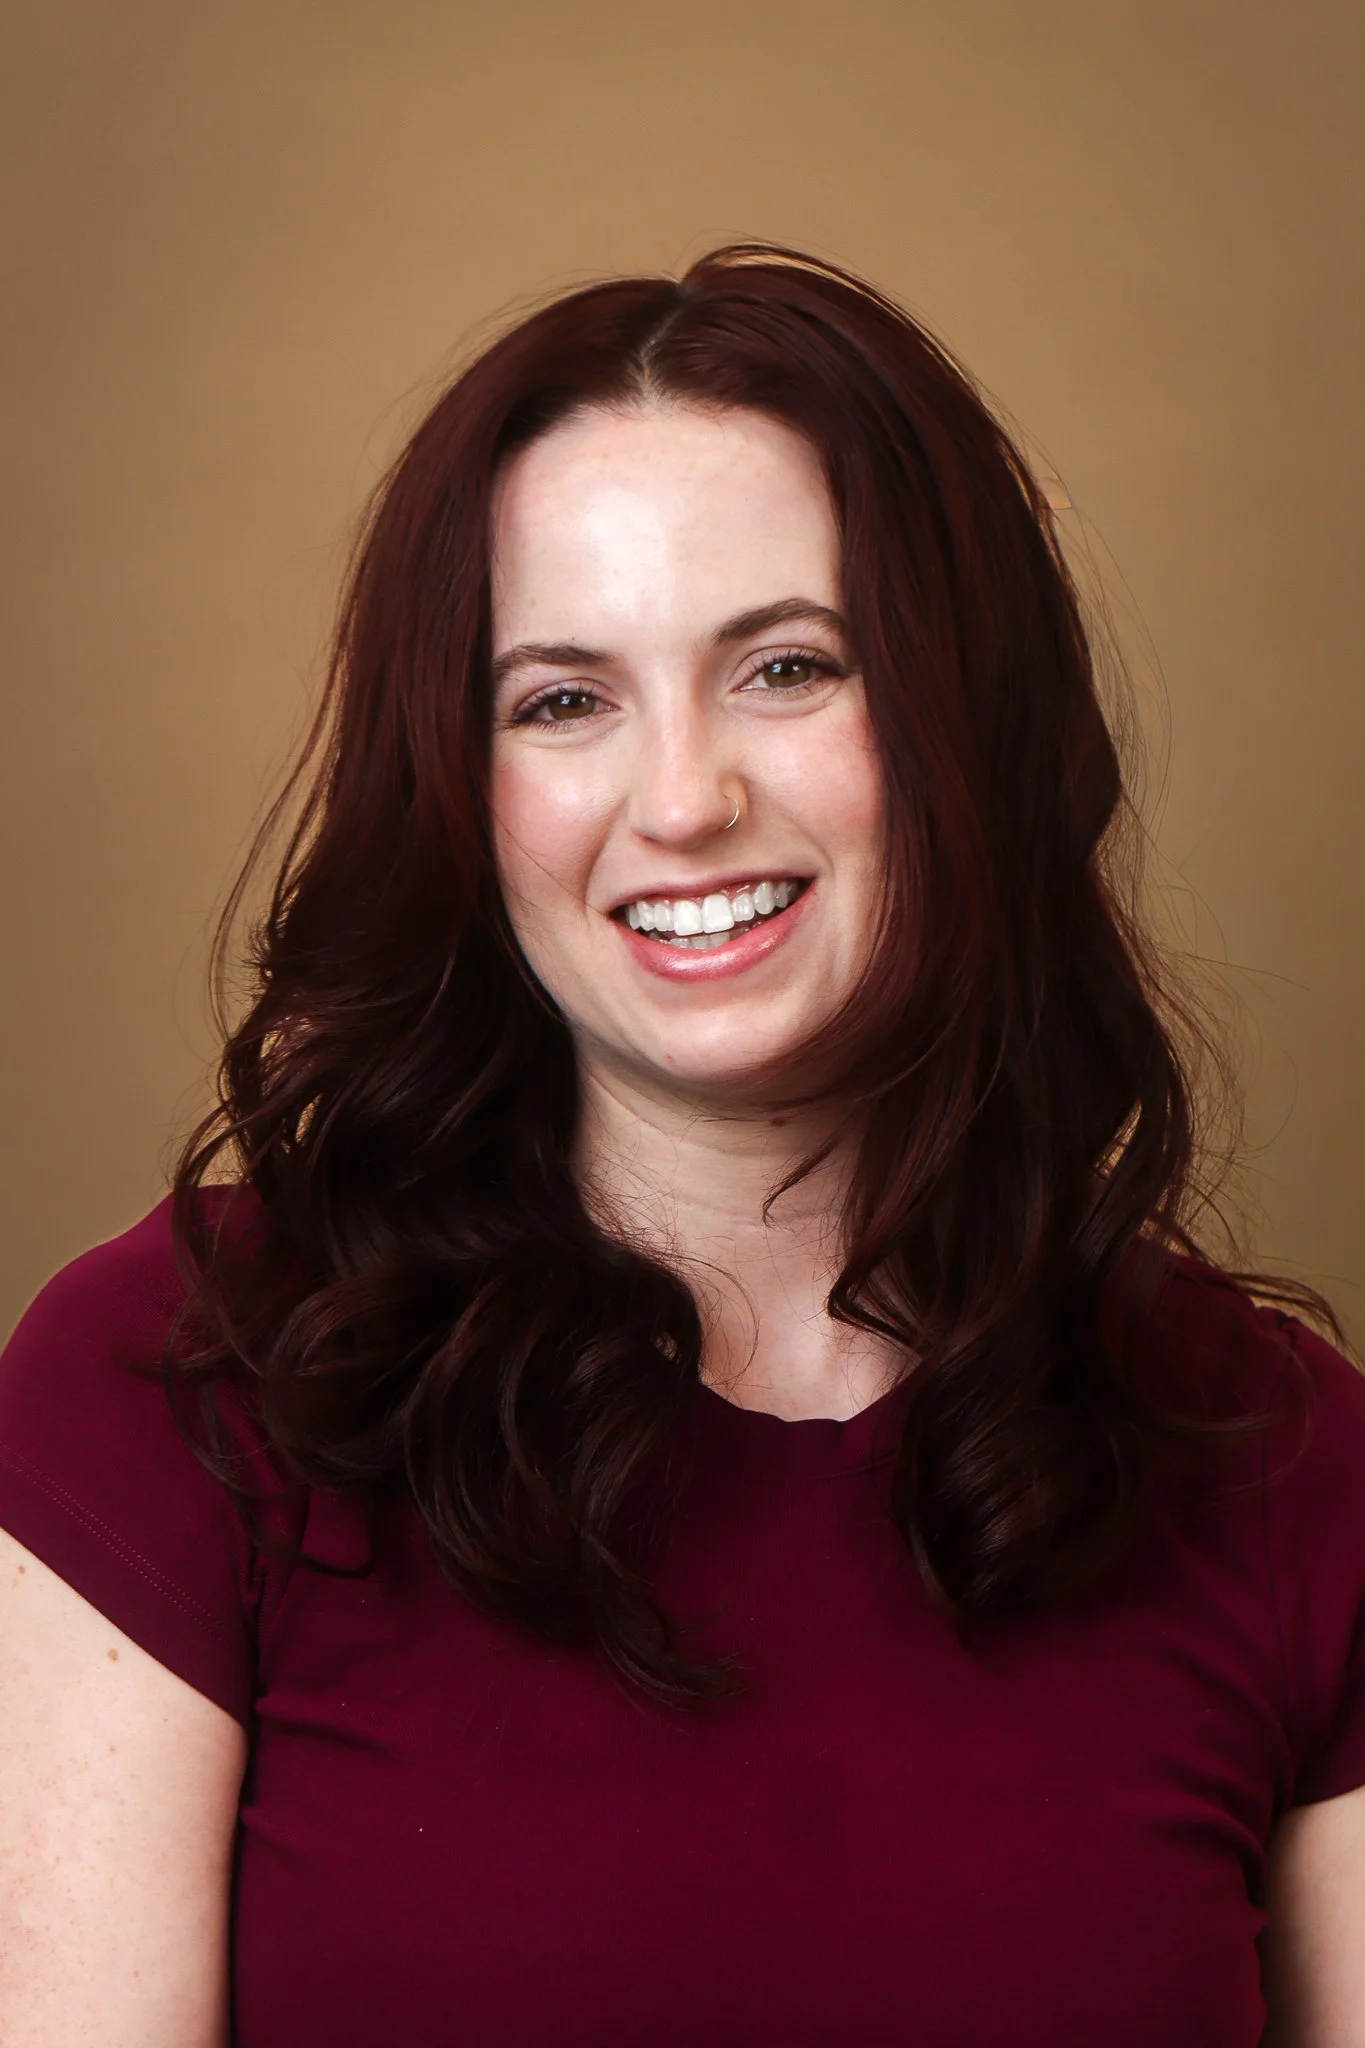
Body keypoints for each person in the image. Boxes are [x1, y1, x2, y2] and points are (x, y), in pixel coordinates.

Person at [0, 244, 1361, 2047]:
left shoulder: (1284, 1462)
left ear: (972, 714)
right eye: (563, 701)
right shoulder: (166, 1390)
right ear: (460, 786)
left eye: (788, 667)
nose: (683, 799)